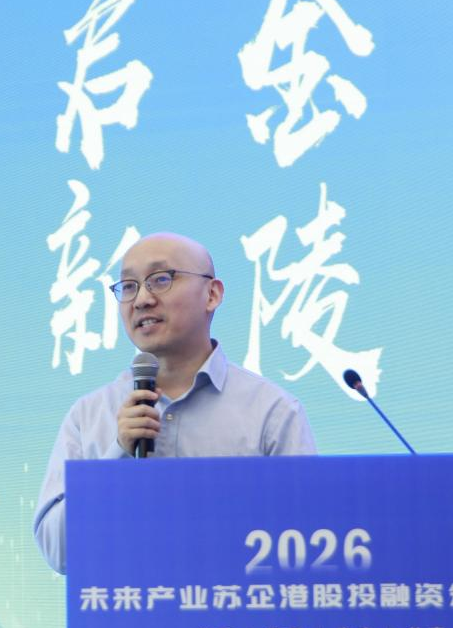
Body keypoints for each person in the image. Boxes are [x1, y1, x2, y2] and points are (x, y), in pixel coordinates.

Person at [33, 232, 316, 573]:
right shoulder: (88, 415)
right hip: (129, 607)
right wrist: (118, 455)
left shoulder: (272, 411)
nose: (142, 299)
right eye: (128, 286)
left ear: (212, 294)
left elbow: (309, 539)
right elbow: (59, 552)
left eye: (161, 279)